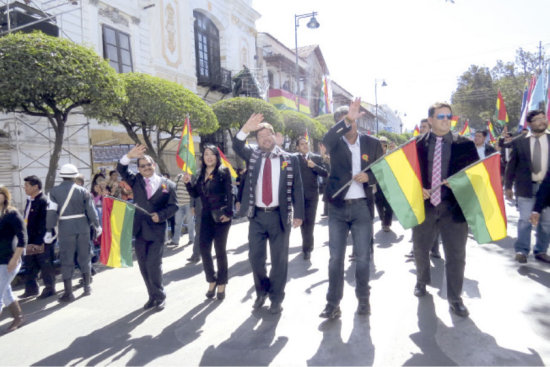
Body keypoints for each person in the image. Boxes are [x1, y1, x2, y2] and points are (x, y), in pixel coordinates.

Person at [233, 114, 304, 314]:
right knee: (255, 258)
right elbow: (238, 146)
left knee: (279, 260)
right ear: (256, 140)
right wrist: (245, 128)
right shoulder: (253, 155)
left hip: (279, 216)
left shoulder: (289, 159)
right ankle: (262, 291)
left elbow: (297, 187)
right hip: (256, 216)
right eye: (260, 135)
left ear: (274, 136)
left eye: (267, 134)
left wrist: (299, 213)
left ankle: (276, 297)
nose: (264, 138)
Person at [412, 102, 478, 318]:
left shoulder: (466, 145)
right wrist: (417, 188)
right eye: (440, 115)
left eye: (449, 116)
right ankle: (421, 280)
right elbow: (407, 177)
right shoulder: (415, 146)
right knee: (420, 250)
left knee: (457, 256)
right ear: (430, 120)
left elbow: (476, 176)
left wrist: (460, 183)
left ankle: (455, 299)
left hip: (454, 210)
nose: (446, 119)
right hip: (425, 209)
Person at [319, 98, 384, 319]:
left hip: (362, 209)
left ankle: (364, 300)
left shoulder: (372, 143)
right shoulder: (334, 143)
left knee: (363, 257)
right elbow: (326, 139)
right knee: (335, 258)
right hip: (337, 208)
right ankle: (332, 303)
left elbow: (383, 170)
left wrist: (369, 176)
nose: (349, 126)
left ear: (359, 121)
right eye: (344, 122)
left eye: (352, 121)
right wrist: (346, 119)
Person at [117, 145, 178, 311]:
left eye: (148, 164)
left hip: (157, 231)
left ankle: (160, 295)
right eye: (142, 166)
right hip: (140, 230)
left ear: (154, 165)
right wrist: (129, 155)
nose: (146, 168)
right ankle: (151, 296)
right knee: (143, 266)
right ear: (138, 169)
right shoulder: (135, 180)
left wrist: (161, 215)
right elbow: (121, 168)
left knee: (153, 264)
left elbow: (174, 207)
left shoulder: (169, 185)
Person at [184, 145, 233, 300]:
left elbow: (230, 193)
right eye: (206, 154)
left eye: (212, 154)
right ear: (202, 157)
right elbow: (195, 193)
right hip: (205, 216)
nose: (209, 157)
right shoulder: (199, 174)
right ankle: (211, 280)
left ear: (217, 157)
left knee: (220, 251)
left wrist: (229, 213)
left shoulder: (223, 172)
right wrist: (187, 183)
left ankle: (222, 283)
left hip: (221, 216)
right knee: (204, 250)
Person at [45, 164, 100, 302]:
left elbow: (51, 212)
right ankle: (87, 287)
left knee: (66, 258)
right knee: (84, 256)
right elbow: (91, 211)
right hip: (83, 227)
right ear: (75, 175)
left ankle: (68, 293)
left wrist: (49, 229)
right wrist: (97, 225)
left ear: (61, 175)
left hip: (65, 227)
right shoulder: (83, 191)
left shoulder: (54, 192)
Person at [505, 110, 550, 264]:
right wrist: (508, 186)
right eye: (538, 119)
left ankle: (541, 250)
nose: (542, 121)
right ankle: (522, 250)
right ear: (529, 124)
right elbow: (511, 165)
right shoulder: (519, 141)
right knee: (525, 220)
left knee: (546, 222)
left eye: (543, 118)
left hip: (548, 188)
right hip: (525, 188)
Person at [406, 118, 441, 260]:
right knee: (418, 221)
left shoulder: (438, 145)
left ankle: (435, 248)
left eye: (425, 127)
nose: (422, 130)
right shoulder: (415, 144)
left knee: (435, 221)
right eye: (421, 127)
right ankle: (416, 249)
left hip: (436, 190)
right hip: (419, 190)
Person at [19, 175, 56, 299]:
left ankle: (49, 288)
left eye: (27, 186)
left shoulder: (43, 201)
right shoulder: (30, 200)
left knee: (45, 265)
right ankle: (31, 289)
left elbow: (45, 222)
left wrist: (41, 240)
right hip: (29, 239)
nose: (25, 188)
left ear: (36, 187)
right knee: (30, 265)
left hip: (41, 240)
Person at [295, 136, 328, 259]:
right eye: (302, 144)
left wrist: (314, 166)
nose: (305, 145)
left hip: (312, 195)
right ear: (297, 147)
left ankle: (307, 248)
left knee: (310, 222)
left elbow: (325, 173)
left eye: (306, 143)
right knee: (302, 222)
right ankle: (307, 243)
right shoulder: (294, 159)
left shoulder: (315, 158)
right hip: (298, 197)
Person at [0, 186, 26, 332]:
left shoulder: (12, 213)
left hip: (9, 260)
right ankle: (19, 317)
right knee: (4, 291)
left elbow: (23, 238)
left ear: (5, 196)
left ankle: (19, 317)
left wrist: (15, 259)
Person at [168, 173, 195, 247]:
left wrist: (193, 205)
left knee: (190, 223)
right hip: (179, 204)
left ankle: (192, 239)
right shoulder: (178, 176)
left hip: (188, 204)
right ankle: (175, 241)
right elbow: (173, 186)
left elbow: (194, 191)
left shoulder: (193, 178)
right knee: (177, 223)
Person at [374, 137, 393, 232]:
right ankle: (383, 219)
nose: (382, 148)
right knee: (379, 204)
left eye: (384, 146)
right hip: (378, 185)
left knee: (389, 206)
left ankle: (387, 223)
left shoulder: (391, 156)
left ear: (386, 147)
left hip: (389, 185)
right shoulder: (374, 157)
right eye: (380, 146)